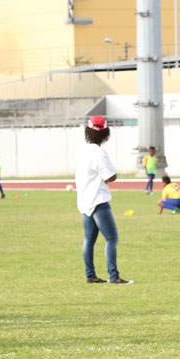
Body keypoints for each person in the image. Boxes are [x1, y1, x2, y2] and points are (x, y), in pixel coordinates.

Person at [76, 116, 130, 285]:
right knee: (112, 239)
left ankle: (90, 275)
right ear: (105, 132)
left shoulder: (84, 151)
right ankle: (114, 276)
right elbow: (110, 176)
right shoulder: (99, 152)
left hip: (85, 202)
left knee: (89, 240)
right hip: (98, 200)